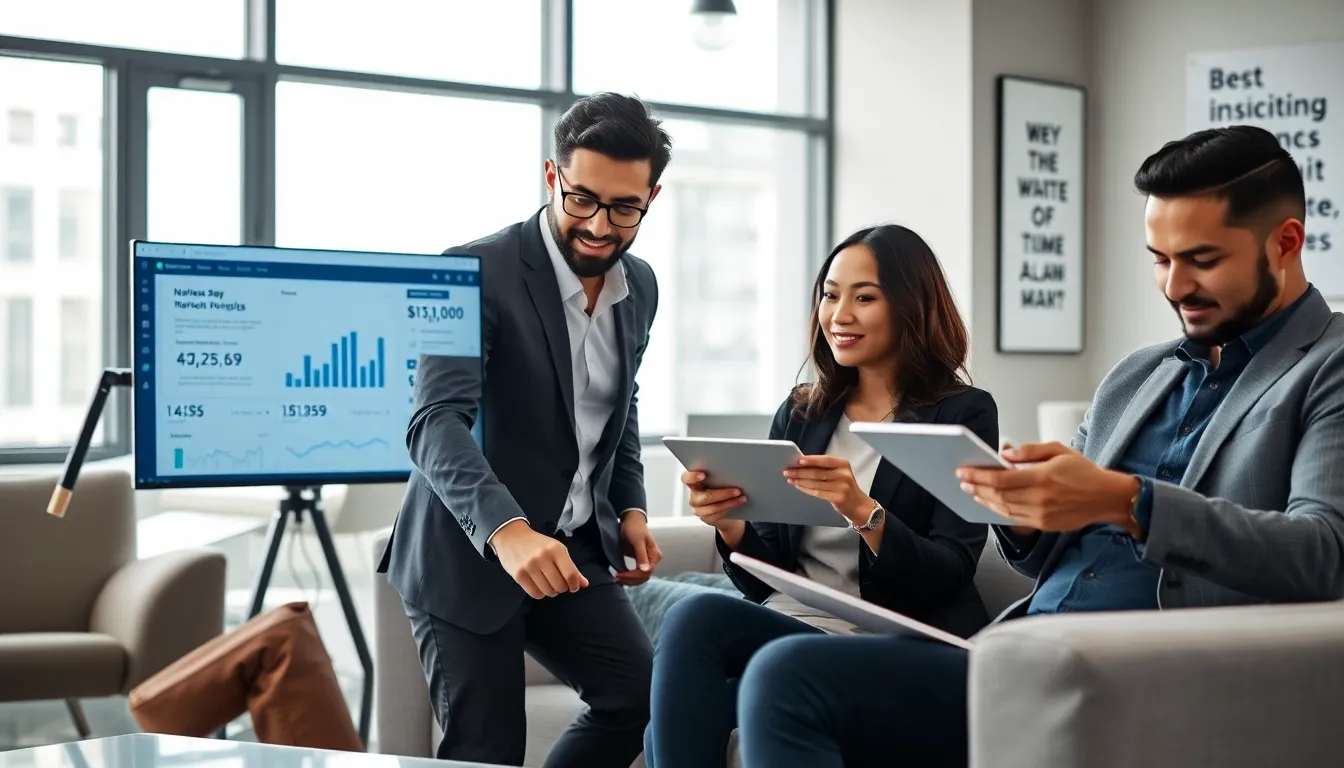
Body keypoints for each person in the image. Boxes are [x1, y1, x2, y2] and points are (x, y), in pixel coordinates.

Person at [729, 124, 1344, 768]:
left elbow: (1324, 552)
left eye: (1203, 260)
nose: (1173, 286)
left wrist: (1127, 501)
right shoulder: (1139, 375)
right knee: (776, 665)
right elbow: (1036, 559)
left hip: (1155, 670)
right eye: (1160, 260)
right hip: (1018, 651)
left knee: (789, 672)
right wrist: (1020, 507)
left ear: (1286, 242)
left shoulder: (1324, 368)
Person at [376, 92, 672, 768]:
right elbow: (433, 423)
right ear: (552, 177)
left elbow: (616, 407)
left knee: (639, 695)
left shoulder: (642, 287)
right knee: (487, 750)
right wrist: (509, 534)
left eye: (625, 207)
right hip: (467, 554)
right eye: (582, 199)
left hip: (569, 553)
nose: (600, 225)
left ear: (652, 195)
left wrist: (629, 506)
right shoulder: (473, 269)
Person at [642, 224, 999, 768]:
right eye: (830, 295)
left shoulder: (962, 412)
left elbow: (950, 570)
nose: (839, 314)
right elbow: (769, 568)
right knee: (694, 618)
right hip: (798, 619)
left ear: (910, 306)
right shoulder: (803, 411)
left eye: (864, 297)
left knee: (693, 709)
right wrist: (732, 525)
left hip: (896, 635)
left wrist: (863, 510)